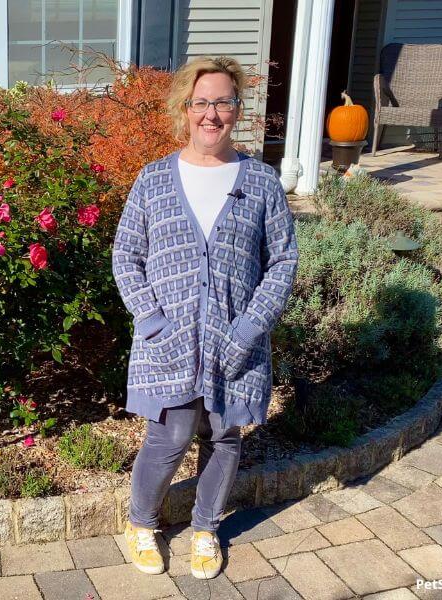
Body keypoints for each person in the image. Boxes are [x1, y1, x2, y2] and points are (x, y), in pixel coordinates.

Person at [111, 56, 299, 579]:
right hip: (167, 343)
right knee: (168, 439)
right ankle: (141, 523)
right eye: (201, 102)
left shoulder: (260, 181)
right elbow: (126, 255)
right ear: (185, 109)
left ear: (237, 109)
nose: (211, 113)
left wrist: (249, 327)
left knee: (224, 436)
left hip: (236, 344)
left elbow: (283, 260)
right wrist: (152, 322)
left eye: (222, 101)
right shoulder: (153, 180)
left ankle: (204, 528)